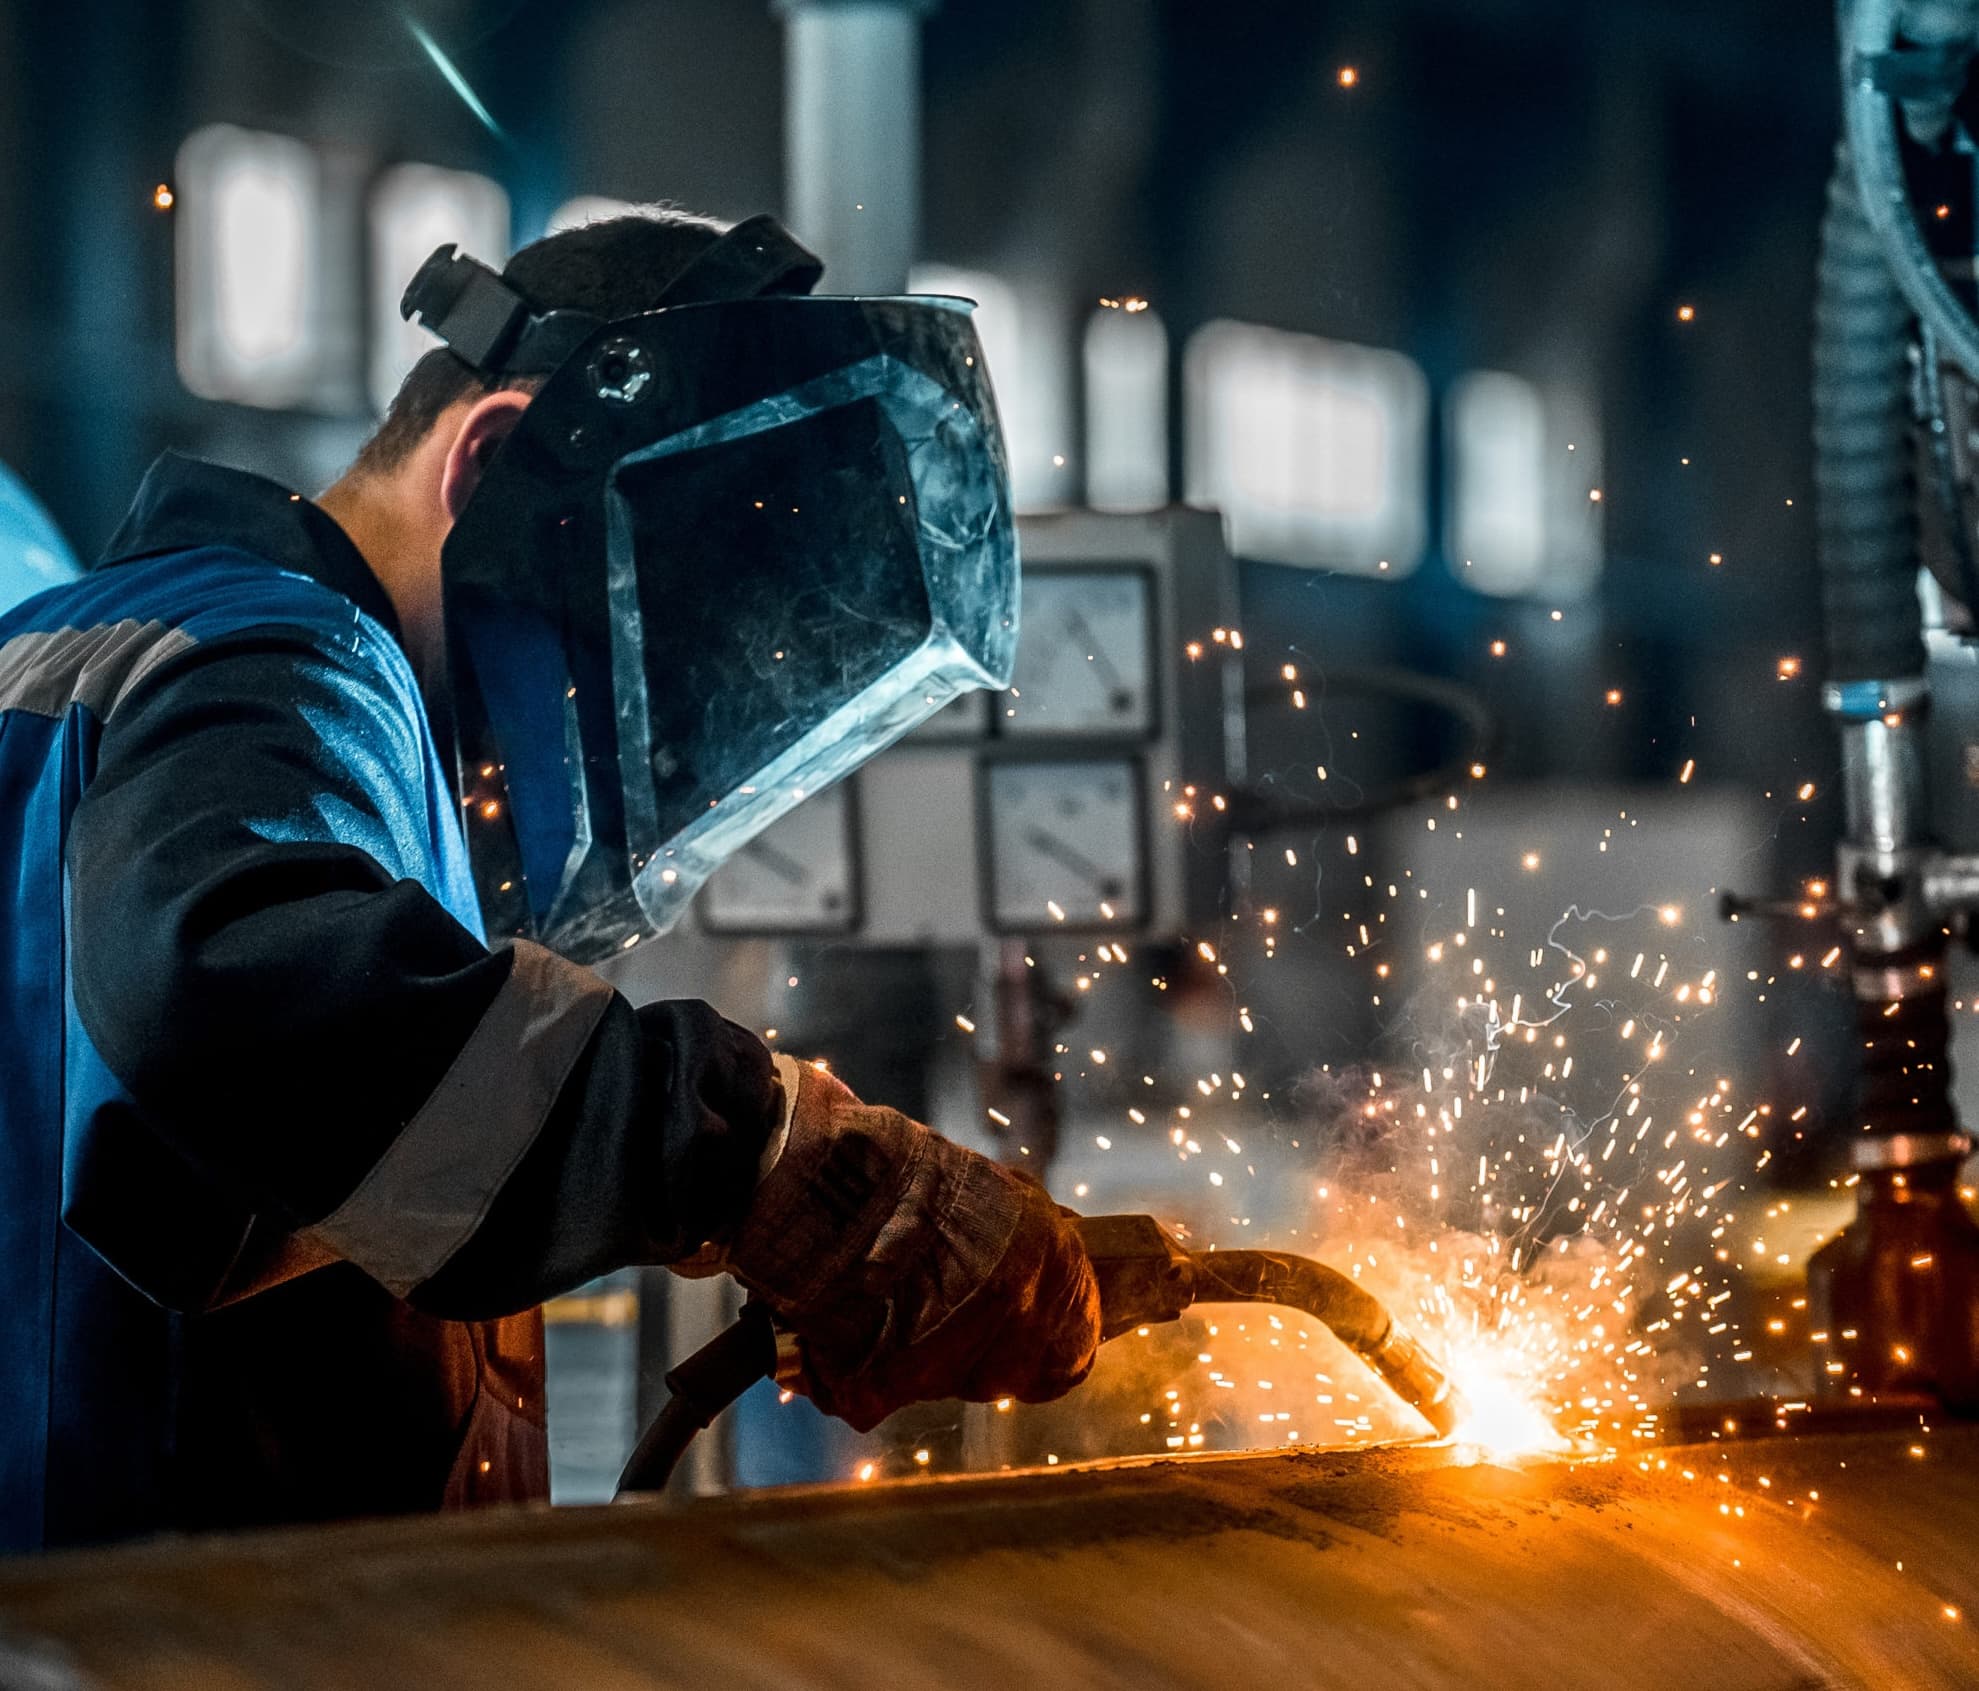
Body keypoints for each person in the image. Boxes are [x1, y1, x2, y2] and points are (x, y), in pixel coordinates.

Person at [0, 204, 1100, 1555]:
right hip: (130, 1624)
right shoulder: (290, 662)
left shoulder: (120, 655)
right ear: (493, 462)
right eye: (656, 672)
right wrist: (748, 1155)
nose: (656, 749)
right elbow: (224, 1002)